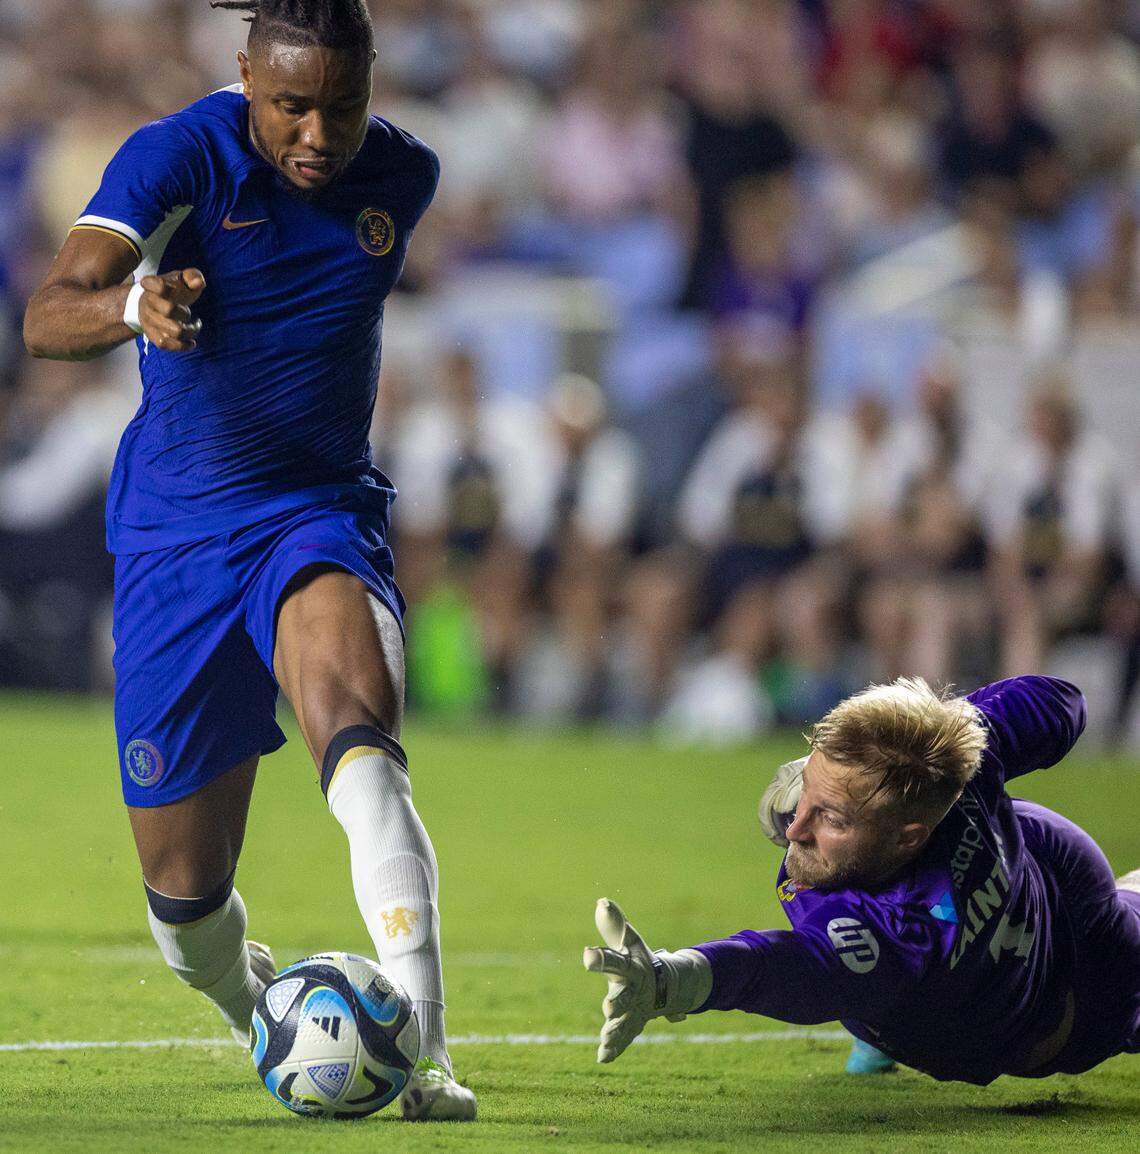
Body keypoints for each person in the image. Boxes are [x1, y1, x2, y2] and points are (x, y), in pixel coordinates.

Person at [22, 0, 475, 1121]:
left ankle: (428, 1060)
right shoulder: (179, 155)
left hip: (314, 514)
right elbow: (46, 310)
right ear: (245, 78)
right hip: (175, 539)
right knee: (184, 918)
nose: (319, 133)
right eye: (291, 107)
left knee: (365, 757)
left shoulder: (402, 179)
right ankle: (259, 1011)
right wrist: (136, 301)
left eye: (343, 106)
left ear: (373, 88)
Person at [583, 675, 1140, 1085]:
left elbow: (788, 968)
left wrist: (672, 979)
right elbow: (1062, 702)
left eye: (832, 818)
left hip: (1080, 995)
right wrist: (943, 732)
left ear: (909, 838)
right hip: (1034, 873)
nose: (796, 825)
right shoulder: (961, 767)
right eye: (810, 789)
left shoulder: (907, 926)